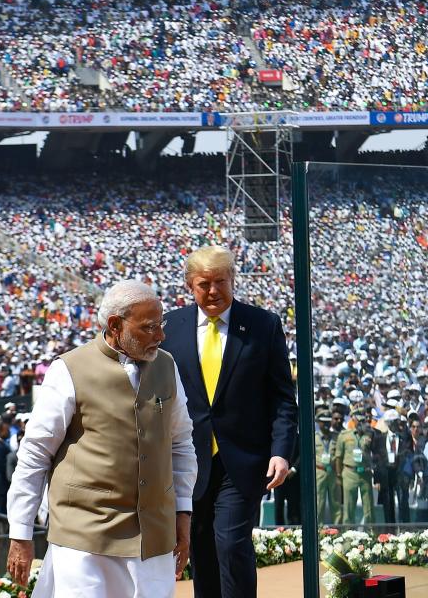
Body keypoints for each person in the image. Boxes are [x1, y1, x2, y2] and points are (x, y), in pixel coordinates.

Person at [6, 280, 197, 598]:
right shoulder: (68, 370)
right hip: (85, 542)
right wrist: (21, 533)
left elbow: (181, 443)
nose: (161, 336)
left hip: (153, 540)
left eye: (160, 325)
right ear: (115, 325)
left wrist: (183, 511)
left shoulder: (167, 366)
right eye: (149, 327)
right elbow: (35, 454)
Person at [160, 246, 296, 598]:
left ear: (232, 280)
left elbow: (282, 396)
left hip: (243, 459)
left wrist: (281, 452)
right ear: (190, 284)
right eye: (204, 284)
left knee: (231, 542)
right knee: (202, 547)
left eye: (221, 282)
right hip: (189, 460)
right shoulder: (170, 327)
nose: (213, 291)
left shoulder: (263, 325)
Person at [335, 407, 375, 525]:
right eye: (359, 420)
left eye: (363, 419)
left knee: (369, 508)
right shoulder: (344, 435)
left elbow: (377, 451)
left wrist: (369, 433)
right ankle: (348, 536)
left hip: (365, 473)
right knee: (349, 506)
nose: (361, 422)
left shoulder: (371, 433)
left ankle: (371, 534)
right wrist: (338, 475)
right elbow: (338, 456)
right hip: (349, 472)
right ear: (353, 419)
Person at [314, 410, 341, 524]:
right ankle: (318, 529)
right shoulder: (313, 437)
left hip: (333, 472)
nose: (325, 424)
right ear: (318, 422)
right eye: (322, 422)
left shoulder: (336, 437)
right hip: (319, 471)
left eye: (327, 422)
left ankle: (337, 529)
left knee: (336, 502)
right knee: (319, 502)